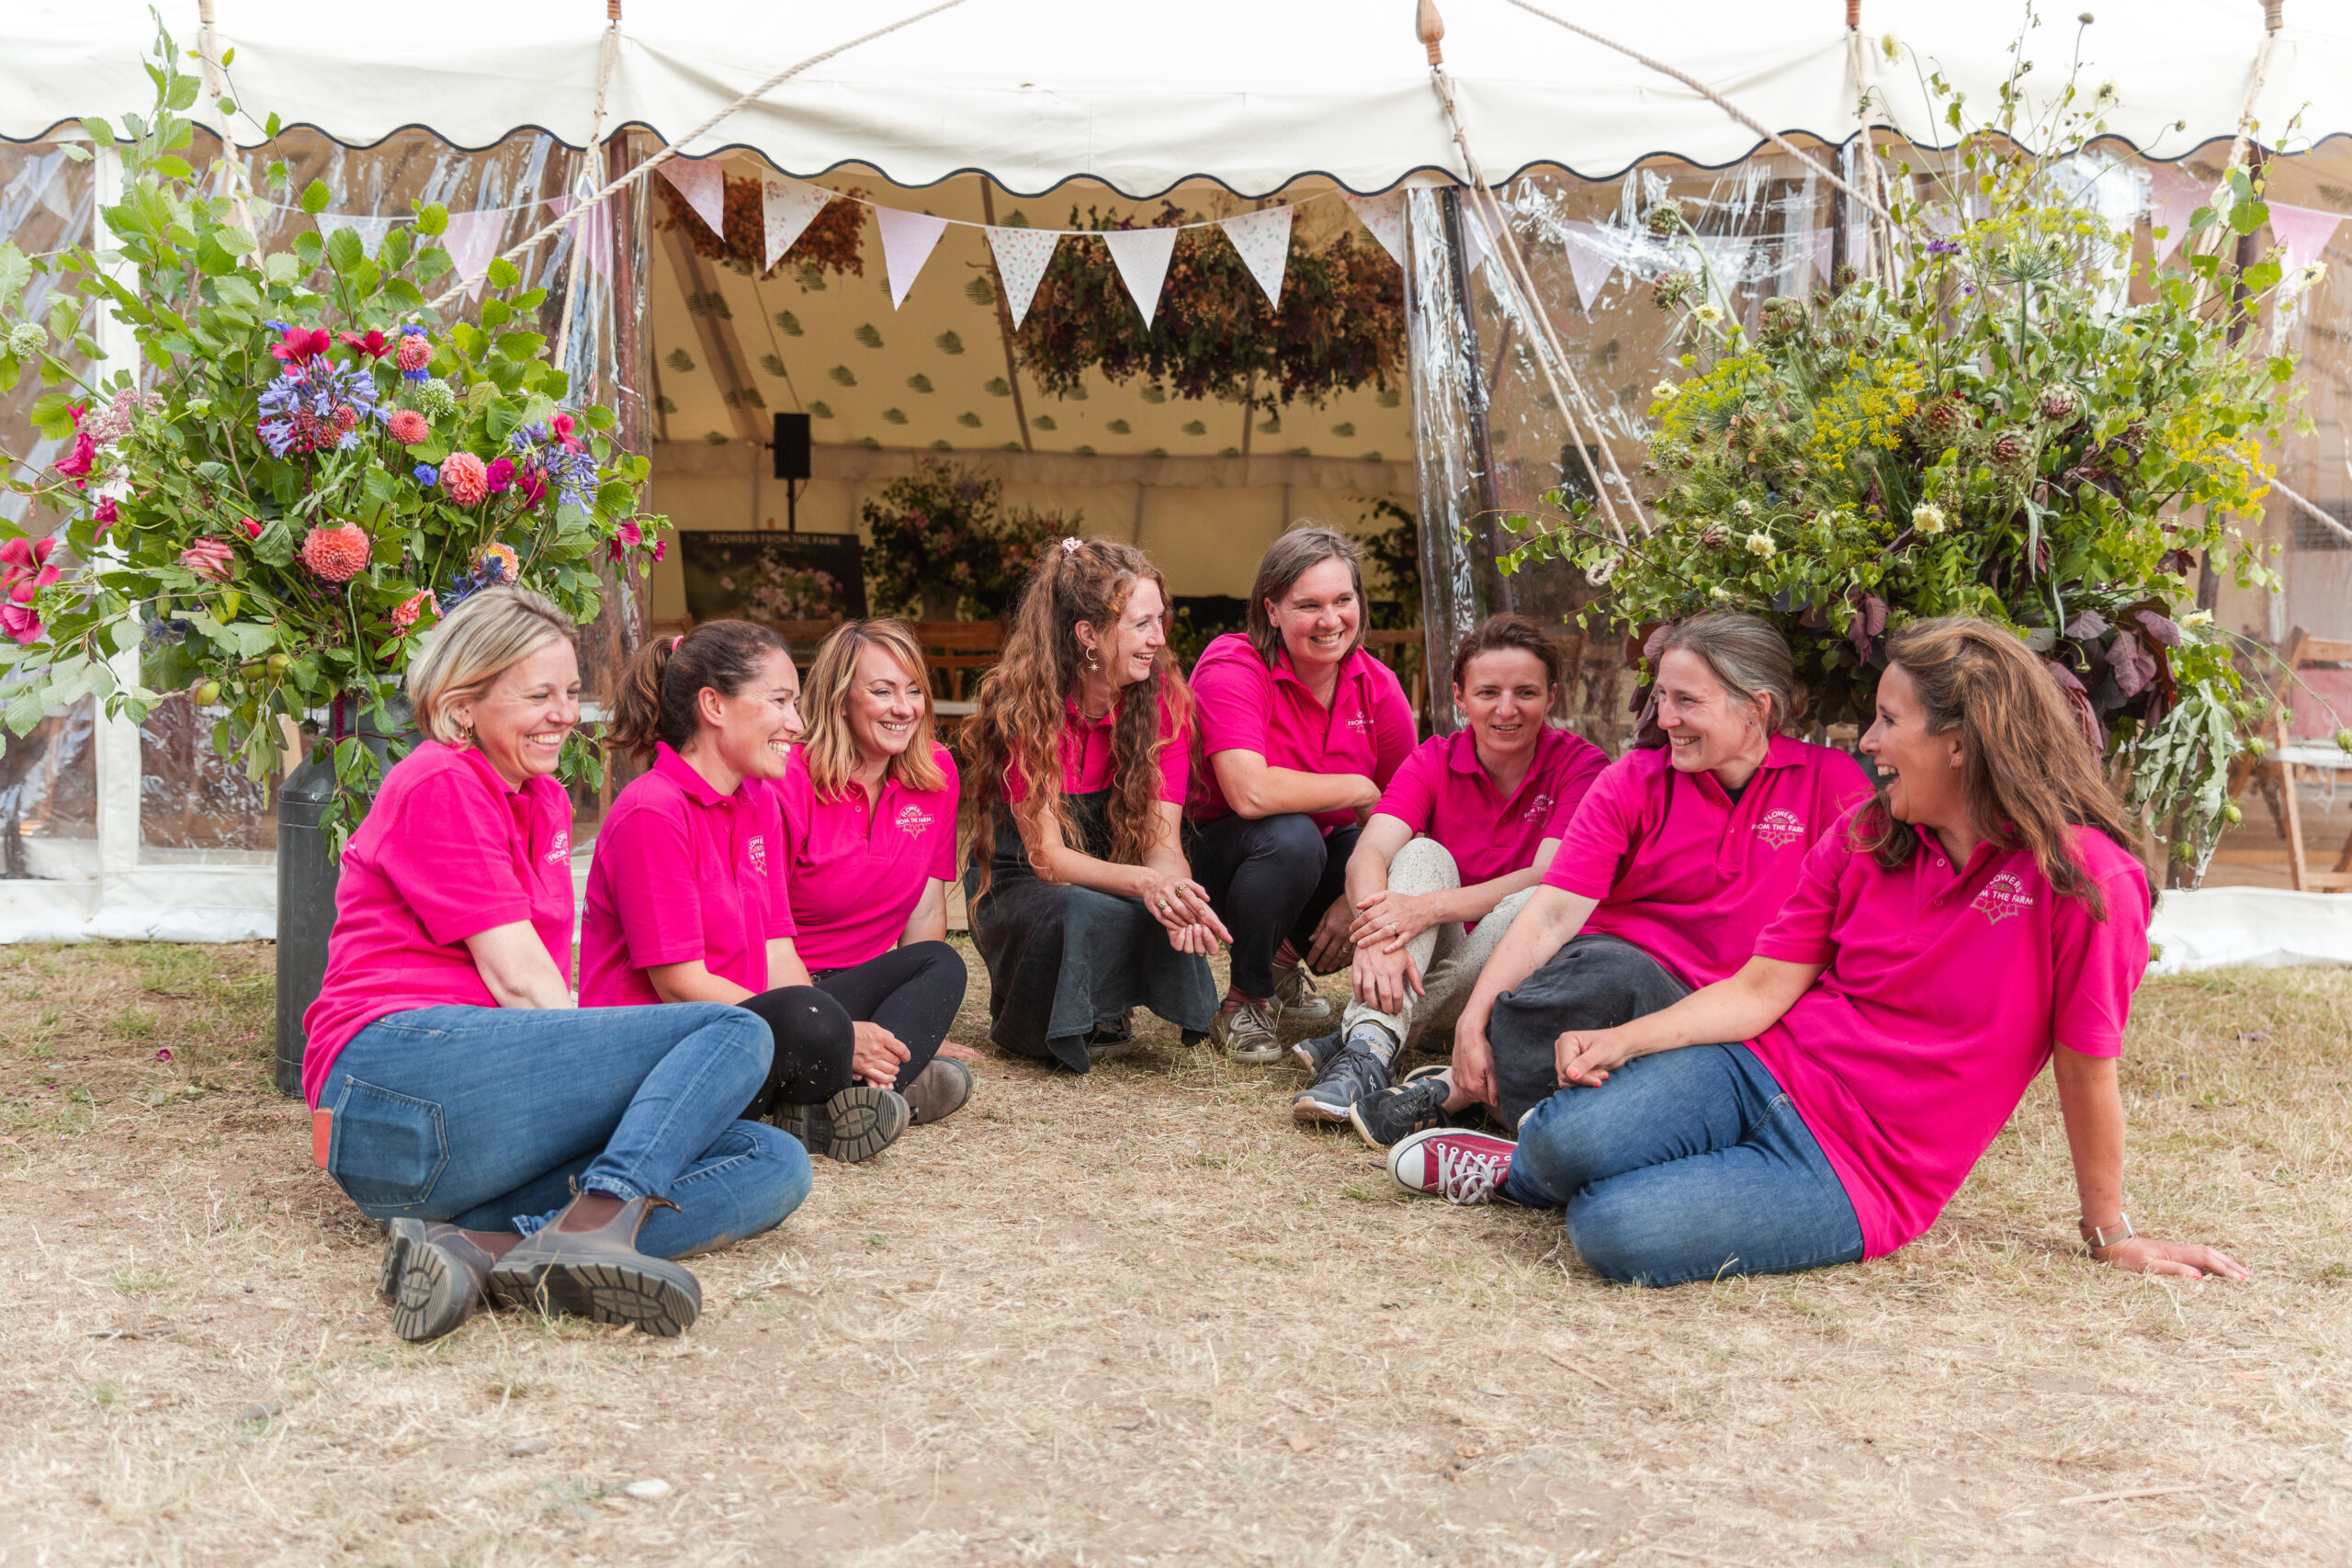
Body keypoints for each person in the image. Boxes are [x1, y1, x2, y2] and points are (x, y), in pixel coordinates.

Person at [1386, 618, 2248, 1290]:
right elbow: (1762, 987)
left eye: (1888, 720)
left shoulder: (2088, 881)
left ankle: (1576, 1168)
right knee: (1566, 1145)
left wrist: (2112, 1232)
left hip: (1866, 1167)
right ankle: (1522, 1170)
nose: (1868, 742)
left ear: (1962, 740)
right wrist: (1628, 1041)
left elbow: (2087, 1068)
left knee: (1613, 1233)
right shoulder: (1869, 833)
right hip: (1759, 1067)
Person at [305, 588, 810, 1345]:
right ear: (463, 702)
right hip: (393, 1081)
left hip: (459, 1142)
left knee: (773, 1158)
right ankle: (595, 1225)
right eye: (538, 694)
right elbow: (521, 980)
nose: (564, 713)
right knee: (736, 1030)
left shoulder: (543, 800)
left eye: (572, 692)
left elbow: (535, 986)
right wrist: (612, 1084)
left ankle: (483, 1249)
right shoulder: (440, 778)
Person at [1350, 612, 1871, 1146]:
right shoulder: (1632, 782)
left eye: (1687, 701)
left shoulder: (1832, 783)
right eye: (1661, 697)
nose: (1666, 718)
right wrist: (1471, 1023)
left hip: (1747, 1011)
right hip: (1621, 991)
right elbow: (1550, 917)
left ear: (1757, 707)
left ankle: (1478, 1099)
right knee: (1603, 971)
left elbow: (1860, 932)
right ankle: (1519, 1106)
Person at [580, 620, 960, 1168]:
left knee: (933, 964)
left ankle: (836, 1100)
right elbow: (679, 983)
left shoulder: (755, 800)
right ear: (713, 706)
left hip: (746, 1025)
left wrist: (831, 1029)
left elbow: (778, 948)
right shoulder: (653, 811)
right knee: (810, 1019)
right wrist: (831, 1032)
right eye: (781, 701)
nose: (797, 724)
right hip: (667, 1051)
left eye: (796, 703)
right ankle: (844, 1100)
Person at [1289, 614, 1608, 1125]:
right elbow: (1369, 852)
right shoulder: (1434, 758)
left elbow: (1552, 876)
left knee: (1532, 902)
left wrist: (1425, 908)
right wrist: (1376, 934)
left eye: (1525, 692)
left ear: (1551, 698)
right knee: (1420, 855)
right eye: (1487, 693)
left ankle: (1367, 1036)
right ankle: (1371, 1047)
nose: (1506, 709)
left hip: (1517, 988)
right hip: (1429, 959)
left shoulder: (1582, 766)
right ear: (1459, 697)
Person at [960, 536, 1228, 1071]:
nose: (1158, 639)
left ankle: (1105, 1007)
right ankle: (1038, 1016)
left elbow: (1161, 844)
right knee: (1083, 906)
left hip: (1112, 872)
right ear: (1088, 634)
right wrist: (1146, 884)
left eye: (1160, 620)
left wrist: (1175, 892)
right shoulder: (1028, 709)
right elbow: (1048, 861)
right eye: (1140, 624)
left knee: (1146, 899)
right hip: (1025, 882)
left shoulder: (1164, 700)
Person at [1186, 525, 1417, 1064]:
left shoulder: (1377, 685)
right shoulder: (1233, 664)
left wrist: (1356, 896)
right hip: (1212, 857)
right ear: (1271, 611)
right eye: (1308, 605)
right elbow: (1249, 792)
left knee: (1364, 840)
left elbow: (1408, 811)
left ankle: (1282, 963)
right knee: (1294, 837)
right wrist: (1359, 786)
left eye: (1343, 600)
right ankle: (1244, 1001)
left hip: (1309, 857)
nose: (1330, 620)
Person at [772, 618, 972, 1119]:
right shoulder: (789, 779)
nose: (903, 708)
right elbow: (760, 927)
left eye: (914, 691)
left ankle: (856, 1094)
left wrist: (927, 1021)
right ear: (841, 700)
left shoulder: (937, 774)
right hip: (783, 988)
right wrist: (822, 1018)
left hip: (861, 983)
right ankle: (867, 1089)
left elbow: (925, 909)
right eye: (882, 691)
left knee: (940, 963)